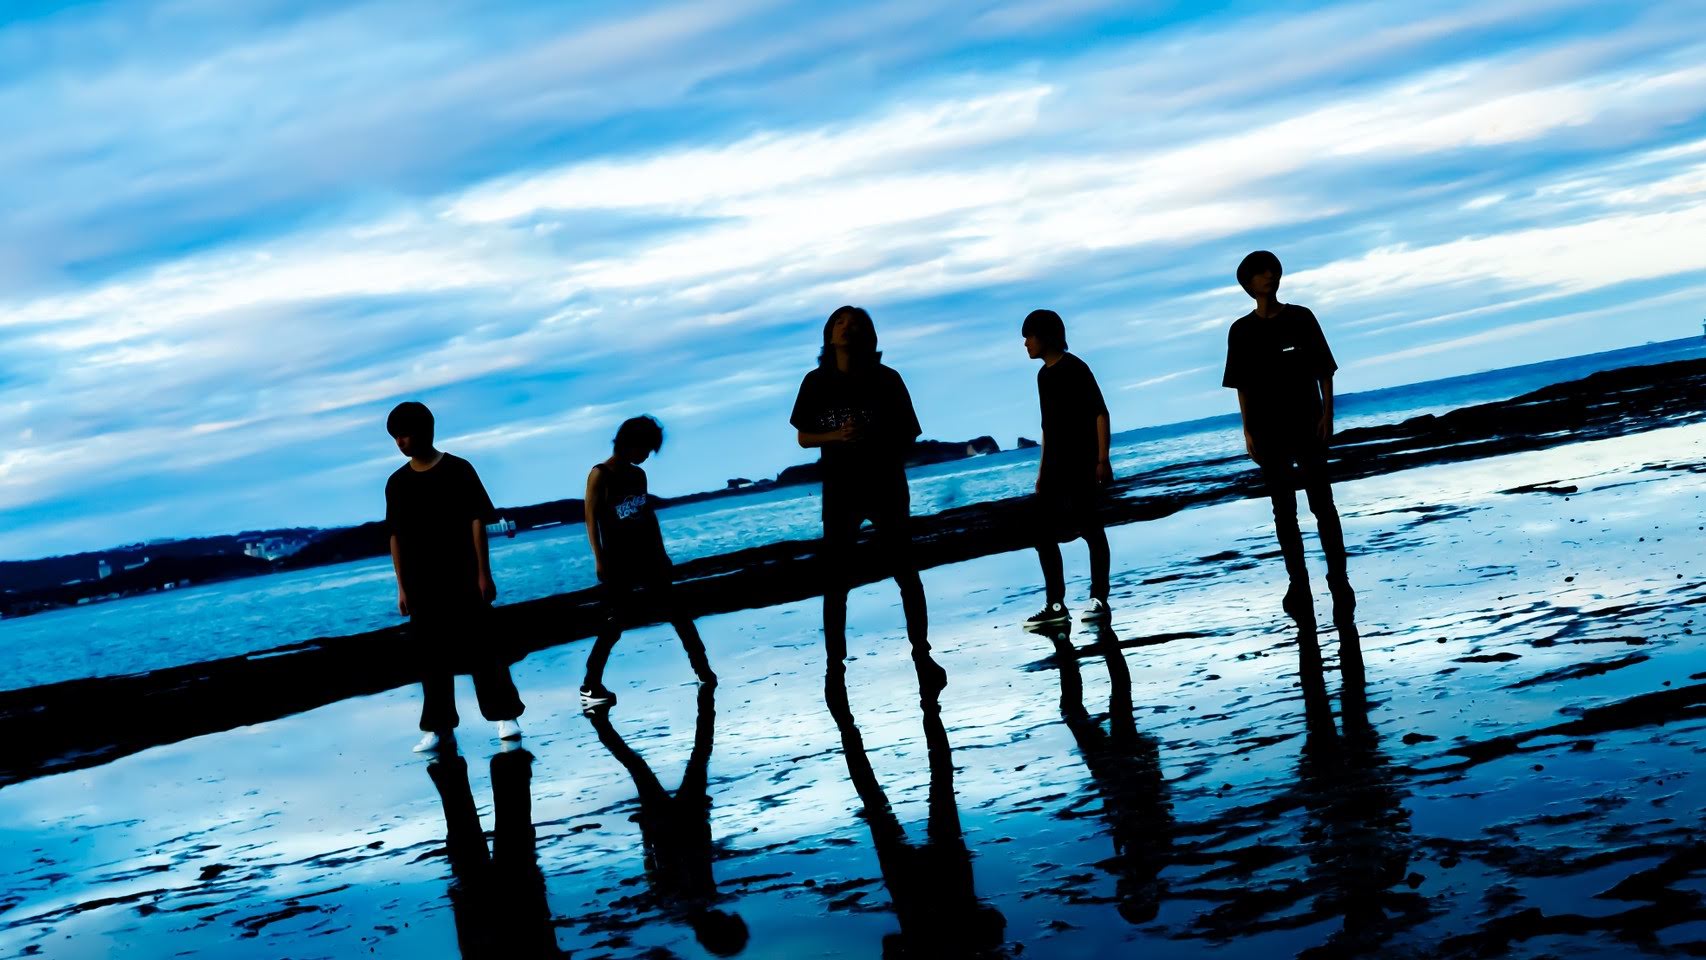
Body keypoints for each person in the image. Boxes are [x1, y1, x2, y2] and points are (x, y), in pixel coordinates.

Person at [790, 305, 945, 691]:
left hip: (885, 484)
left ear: (867, 336)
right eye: (840, 322)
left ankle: (922, 653)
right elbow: (804, 437)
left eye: (855, 323)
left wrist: (874, 437)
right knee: (836, 582)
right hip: (840, 489)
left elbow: (910, 433)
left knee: (906, 573)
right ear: (829, 335)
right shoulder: (815, 382)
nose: (847, 327)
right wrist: (837, 436)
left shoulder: (887, 379)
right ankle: (835, 667)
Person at [1222, 251, 1355, 630]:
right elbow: (1242, 384)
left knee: (1322, 504)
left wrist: (1327, 414)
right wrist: (1247, 429)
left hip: (1307, 421)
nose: (1269, 276)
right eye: (1261, 273)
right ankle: (1299, 584)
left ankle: (1339, 578)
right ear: (1248, 283)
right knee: (1283, 511)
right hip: (1267, 429)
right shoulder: (1241, 330)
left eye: (1272, 271)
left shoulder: (1300, 317)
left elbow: (1324, 369)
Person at [384, 401, 525, 753]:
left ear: (425, 431)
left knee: (484, 647)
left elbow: (477, 521)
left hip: (462, 573)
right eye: (395, 436)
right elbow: (395, 536)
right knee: (430, 657)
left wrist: (483, 573)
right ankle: (439, 727)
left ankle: (505, 715)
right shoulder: (397, 483)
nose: (400, 442)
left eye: (404, 434)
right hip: (421, 582)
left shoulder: (459, 469)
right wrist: (402, 587)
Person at [585, 685, 749, 956]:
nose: (727, 914)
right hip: (671, 824)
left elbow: (690, 857)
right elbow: (654, 867)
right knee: (641, 765)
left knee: (696, 755)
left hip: (681, 823)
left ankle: (706, 690)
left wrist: (657, 830)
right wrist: (647, 832)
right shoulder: (678, 906)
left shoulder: (694, 901)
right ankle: (597, 716)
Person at [580, 415, 715, 707]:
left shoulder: (638, 475)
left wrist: (662, 552)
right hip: (618, 559)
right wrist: (599, 559)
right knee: (615, 623)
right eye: (645, 449)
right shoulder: (600, 474)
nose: (647, 456)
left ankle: (703, 670)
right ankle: (590, 685)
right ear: (630, 443)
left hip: (649, 556)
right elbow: (590, 520)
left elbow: (648, 517)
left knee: (678, 613)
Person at [1020, 309, 1114, 627]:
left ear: (1045, 336)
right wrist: (1041, 471)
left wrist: (1102, 459)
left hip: (1082, 463)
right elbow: (1047, 427)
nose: (1026, 344)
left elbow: (1100, 413)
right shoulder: (1043, 376)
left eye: (1029, 337)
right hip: (1055, 467)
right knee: (1042, 533)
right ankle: (1056, 604)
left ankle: (1099, 598)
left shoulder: (1075, 368)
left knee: (1091, 529)